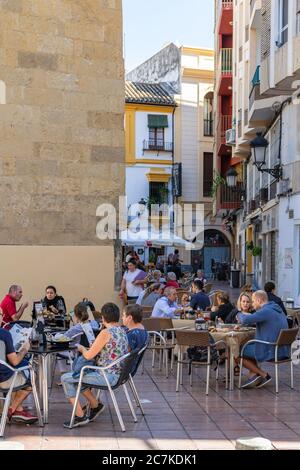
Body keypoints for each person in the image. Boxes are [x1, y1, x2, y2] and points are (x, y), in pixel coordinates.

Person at [61, 303, 129, 428]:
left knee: (66, 378)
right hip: (118, 374)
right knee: (78, 377)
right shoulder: (122, 330)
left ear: (103, 317)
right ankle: (95, 405)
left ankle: (80, 416)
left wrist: (81, 348)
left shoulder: (105, 333)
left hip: (106, 376)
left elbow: (88, 356)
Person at [237, 290, 289, 389]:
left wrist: (238, 313)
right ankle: (254, 375)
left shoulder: (265, 311)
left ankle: (263, 374)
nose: (252, 304)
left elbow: (244, 320)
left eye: (253, 301)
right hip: (283, 350)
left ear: (259, 300)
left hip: (271, 350)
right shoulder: (277, 309)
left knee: (236, 350)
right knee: (248, 347)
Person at [0, 311, 38, 423]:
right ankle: (12, 409)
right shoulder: (4, 334)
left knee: (19, 368)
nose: (2, 317)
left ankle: (19, 410)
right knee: (31, 374)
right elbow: (15, 361)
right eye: (1, 315)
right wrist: (25, 349)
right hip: (4, 380)